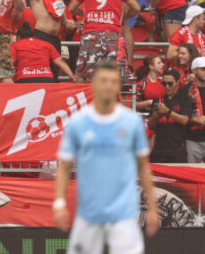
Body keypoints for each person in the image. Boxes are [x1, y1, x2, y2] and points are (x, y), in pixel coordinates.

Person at [54, 60, 158, 251]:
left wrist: (152, 206)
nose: (108, 85)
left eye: (113, 81)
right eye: (103, 80)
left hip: (124, 215)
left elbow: (143, 166)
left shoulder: (132, 122)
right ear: (93, 84)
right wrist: (59, 202)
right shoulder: (78, 123)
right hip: (88, 214)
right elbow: (65, 166)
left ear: (119, 85)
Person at [68, 0, 141, 82]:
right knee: (115, 76)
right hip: (113, 35)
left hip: (90, 34)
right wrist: (124, 18)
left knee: (83, 75)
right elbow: (136, 8)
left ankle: (86, 100)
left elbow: (71, 8)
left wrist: (86, 14)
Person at [147, 67, 192, 163]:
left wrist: (168, 112)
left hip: (178, 151)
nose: (167, 86)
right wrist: (155, 117)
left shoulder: (185, 99)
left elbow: (185, 121)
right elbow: (150, 126)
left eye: (170, 83)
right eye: (164, 84)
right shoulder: (157, 100)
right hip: (158, 151)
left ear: (178, 82)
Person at [11, 22, 75, 83]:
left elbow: (10, 62)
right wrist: (73, 77)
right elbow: (60, 62)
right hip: (47, 79)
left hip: (24, 79)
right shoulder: (47, 44)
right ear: (33, 35)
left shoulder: (15, 45)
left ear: (18, 37)